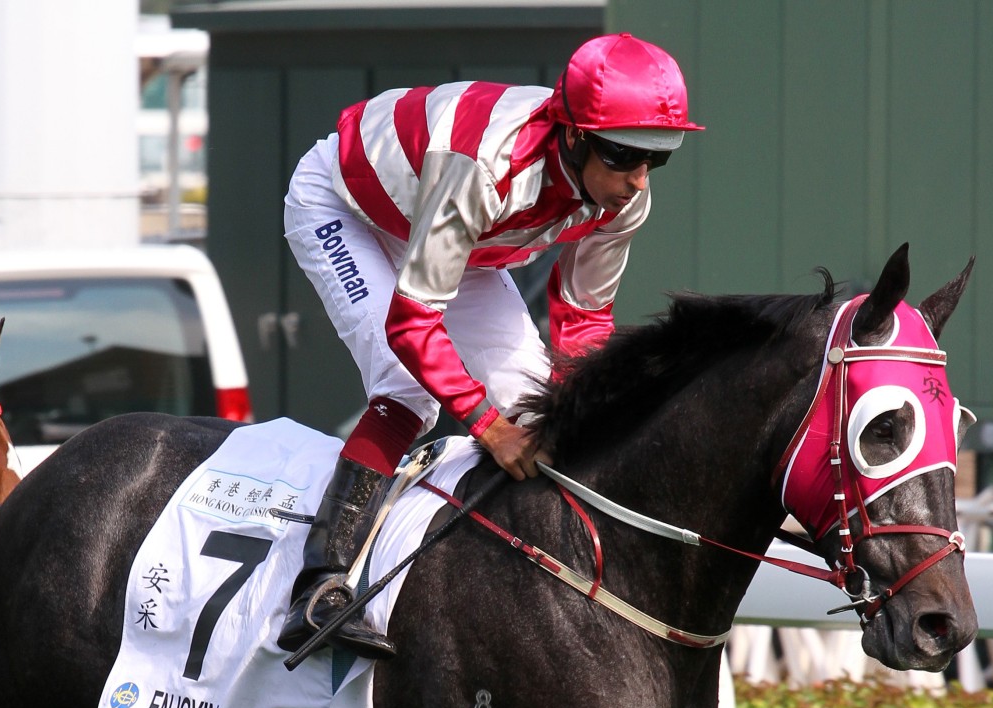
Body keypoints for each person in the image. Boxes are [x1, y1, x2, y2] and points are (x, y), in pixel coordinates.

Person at [280, 32, 701, 661]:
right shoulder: (487, 165)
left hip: (457, 234)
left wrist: (577, 413)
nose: (637, 182)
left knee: (536, 406)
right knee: (408, 387)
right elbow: (411, 323)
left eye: (656, 158)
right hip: (346, 207)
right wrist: (486, 425)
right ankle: (318, 587)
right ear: (576, 135)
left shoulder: (623, 199)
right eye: (623, 157)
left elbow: (584, 319)